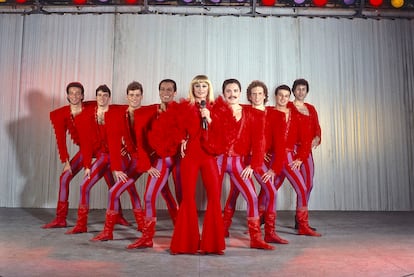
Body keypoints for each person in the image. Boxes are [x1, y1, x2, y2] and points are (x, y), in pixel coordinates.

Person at [166, 75, 227, 255]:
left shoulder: (216, 108)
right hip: (190, 154)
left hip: (208, 155)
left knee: (215, 196)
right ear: (193, 88)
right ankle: (185, 244)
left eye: (204, 86)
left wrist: (209, 118)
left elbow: (224, 133)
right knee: (188, 197)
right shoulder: (185, 107)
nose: (201, 89)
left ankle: (213, 244)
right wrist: (182, 140)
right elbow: (176, 128)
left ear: (209, 88)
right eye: (197, 86)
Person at [222, 80, 288, 245]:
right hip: (241, 158)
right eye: (253, 93)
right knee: (234, 193)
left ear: (266, 95)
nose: (257, 96)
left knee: (270, 192)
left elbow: (280, 145)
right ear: (249, 96)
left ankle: (269, 232)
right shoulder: (242, 109)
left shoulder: (275, 115)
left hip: (258, 160)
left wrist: (274, 168)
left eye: (260, 93)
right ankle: (224, 227)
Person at [65, 84, 133, 234]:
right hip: (102, 157)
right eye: (99, 95)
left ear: (109, 97)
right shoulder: (90, 115)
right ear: (95, 97)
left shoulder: (116, 112)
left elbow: (135, 112)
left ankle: (135, 223)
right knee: (84, 186)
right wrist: (88, 165)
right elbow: (87, 142)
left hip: (116, 156)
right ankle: (81, 224)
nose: (102, 98)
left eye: (105, 95)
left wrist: (127, 148)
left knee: (128, 187)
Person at [90, 81, 150, 241]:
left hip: (146, 161)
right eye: (131, 95)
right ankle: (131, 226)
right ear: (127, 96)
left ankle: (115, 231)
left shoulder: (147, 113)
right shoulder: (120, 113)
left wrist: (148, 162)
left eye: (137, 95)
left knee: (117, 191)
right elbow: (115, 141)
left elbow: (153, 139)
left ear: (142, 96)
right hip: (134, 161)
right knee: (125, 190)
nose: (134, 98)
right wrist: (116, 167)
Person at [126, 79, 182, 249]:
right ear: (159, 92)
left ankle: (181, 230)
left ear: (175, 92)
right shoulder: (150, 111)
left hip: (179, 160)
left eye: (169, 89)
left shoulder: (181, 111)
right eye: (163, 89)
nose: (166, 92)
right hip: (161, 159)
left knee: (176, 197)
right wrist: (147, 165)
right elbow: (140, 139)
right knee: (154, 195)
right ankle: (148, 237)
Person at [262, 85, 321, 237]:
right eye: (280, 95)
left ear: (290, 97)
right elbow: (258, 132)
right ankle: (260, 224)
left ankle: (303, 225)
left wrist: (300, 158)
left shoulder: (294, 115)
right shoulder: (268, 112)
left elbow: (305, 137)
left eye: (286, 95)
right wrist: (261, 152)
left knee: (302, 189)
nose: (283, 98)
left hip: (289, 158)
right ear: (275, 96)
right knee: (269, 189)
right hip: (275, 158)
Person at [42, 82, 99, 228]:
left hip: (102, 150)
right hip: (84, 151)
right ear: (67, 96)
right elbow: (61, 140)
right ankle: (61, 218)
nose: (74, 95)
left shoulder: (93, 106)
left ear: (82, 96)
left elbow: (117, 113)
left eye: (77, 93)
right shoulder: (60, 114)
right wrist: (66, 161)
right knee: (64, 178)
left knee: (114, 181)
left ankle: (118, 216)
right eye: (71, 93)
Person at [287, 78, 321, 230]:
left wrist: (317, 137)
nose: (301, 92)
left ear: (307, 91)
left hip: (306, 150)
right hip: (291, 150)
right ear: (293, 91)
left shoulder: (311, 108)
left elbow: (317, 128)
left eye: (304, 89)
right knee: (274, 182)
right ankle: (261, 215)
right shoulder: (287, 106)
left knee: (308, 184)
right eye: (298, 89)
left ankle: (300, 219)